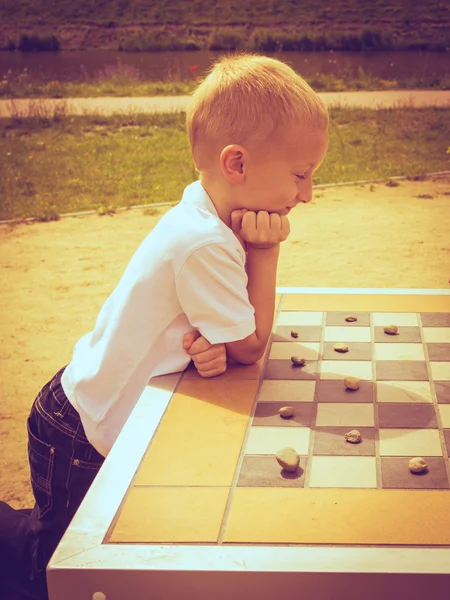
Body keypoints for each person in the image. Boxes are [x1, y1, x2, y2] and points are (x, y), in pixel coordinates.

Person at [0, 51, 328, 599]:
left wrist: (210, 347)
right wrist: (265, 252)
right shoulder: (204, 242)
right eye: (301, 175)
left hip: (82, 404)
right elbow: (249, 346)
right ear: (237, 165)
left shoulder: (203, 210)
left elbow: (223, 335)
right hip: (82, 429)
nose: (307, 194)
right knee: (55, 569)